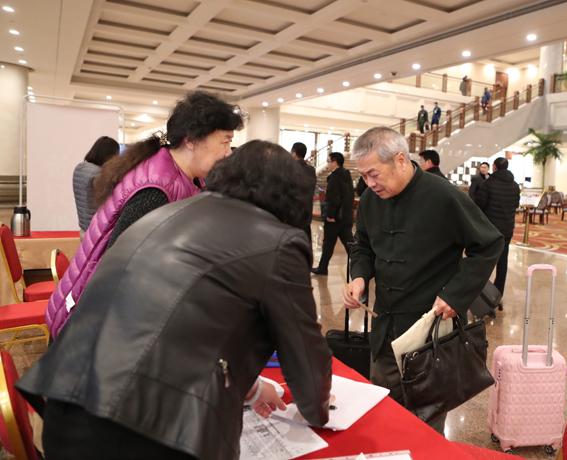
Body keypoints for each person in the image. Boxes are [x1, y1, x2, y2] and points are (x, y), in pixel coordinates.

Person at [18, 140, 332, 460]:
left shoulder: (171, 212)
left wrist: (250, 390)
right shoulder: (280, 241)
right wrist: (317, 411)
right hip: (145, 429)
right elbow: (304, 350)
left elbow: (176, 327)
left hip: (66, 403)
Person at [343, 127, 503, 434]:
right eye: (363, 176)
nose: (369, 184)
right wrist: (360, 277)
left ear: (400, 160)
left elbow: (489, 243)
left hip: (429, 335)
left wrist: (455, 296)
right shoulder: (370, 200)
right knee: (382, 413)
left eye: (374, 174)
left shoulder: (443, 195)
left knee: (424, 423)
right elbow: (362, 244)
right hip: (385, 327)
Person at [46, 91, 244, 339]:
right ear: (192, 140)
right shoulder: (156, 190)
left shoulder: (186, 178)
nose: (228, 153)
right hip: (89, 326)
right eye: (225, 142)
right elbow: (119, 270)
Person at [475, 157, 520, 299]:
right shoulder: (515, 185)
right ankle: (498, 294)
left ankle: (481, 294)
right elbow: (516, 205)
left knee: (485, 261)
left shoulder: (489, 183)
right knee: (502, 262)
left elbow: (479, 205)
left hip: (490, 230)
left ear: (494, 167)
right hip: (507, 228)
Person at [312, 152, 354, 275]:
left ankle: (322, 268)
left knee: (328, 244)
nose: (327, 164)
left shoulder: (335, 177)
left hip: (334, 218)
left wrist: (330, 215)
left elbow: (333, 199)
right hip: (345, 216)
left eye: (328, 161)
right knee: (349, 244)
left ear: (335, 161)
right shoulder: (346, 175)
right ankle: (364, 265)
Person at [73, 136, 119, 234]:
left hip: (83, 227)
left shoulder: (79, 168)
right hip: (96, 231)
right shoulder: (98, 174)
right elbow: (111, 200)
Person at [291, 141, 317, 243]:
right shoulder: (311, 170)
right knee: (305, 240)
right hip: (306, 211)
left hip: (293, 212)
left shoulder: (290, 168)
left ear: (294, 153)